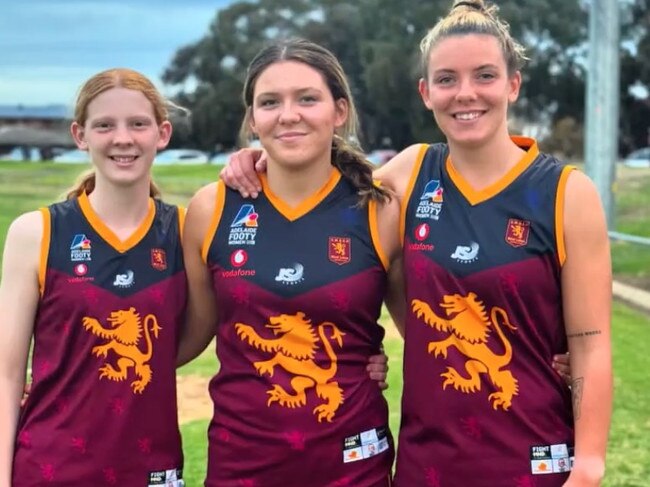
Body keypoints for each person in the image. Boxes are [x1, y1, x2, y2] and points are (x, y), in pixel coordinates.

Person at [221, 1, 612, 485]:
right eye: (447, 79)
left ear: (513, 84)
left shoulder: (566, 193)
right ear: (426, 93)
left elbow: (591, 346)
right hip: (426, 463)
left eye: (484, 75)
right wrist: (262, 156)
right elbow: (322, 203)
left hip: (535, 456)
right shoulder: (410, 173)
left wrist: (589, 465)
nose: (465, 93)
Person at [179, 38, 405, 486]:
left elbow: (429, 327)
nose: (288, 114)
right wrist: (70, 372)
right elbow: (191, 335)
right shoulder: (212, 208)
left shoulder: (382, 210)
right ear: (252, 118)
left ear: (339, 111)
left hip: (354, 465)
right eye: (269, 102)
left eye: (307, 98)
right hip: (241, 464)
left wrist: (556, 355)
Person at [0, 68, 186, 486]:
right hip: (52, 468)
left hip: (152, 469)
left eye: (138, 124)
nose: (123, 138)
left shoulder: (187, 232)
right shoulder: (36, 233)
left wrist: (367, 359)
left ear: (163, 133)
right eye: (105, 125)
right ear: (80, 136)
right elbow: (6, 374)